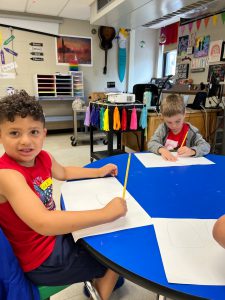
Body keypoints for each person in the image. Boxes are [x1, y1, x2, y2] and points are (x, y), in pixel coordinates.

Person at [0, 90, 127, 300]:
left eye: (33, 132)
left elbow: (65, 172)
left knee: (105, 234)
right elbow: (44, 222)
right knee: (117, 253)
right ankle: (101, 293)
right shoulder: (8, 176)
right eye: (14, 133)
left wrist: (97, 172)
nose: (25, 141)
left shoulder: (42, 157)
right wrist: (107, 213)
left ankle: (99, 278)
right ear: (1, 135)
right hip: (40, 260)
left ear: (44, 133)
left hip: (53, 239)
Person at [148, 94, 210, 161]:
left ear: (184, 114)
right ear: (163, 117)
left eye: (177, 121)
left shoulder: (191, 132)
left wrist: (192, 151)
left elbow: (206, 146)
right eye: (169, 122)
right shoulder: (163, 129)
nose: (173, 126)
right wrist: (162, 150)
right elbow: (151, 143)